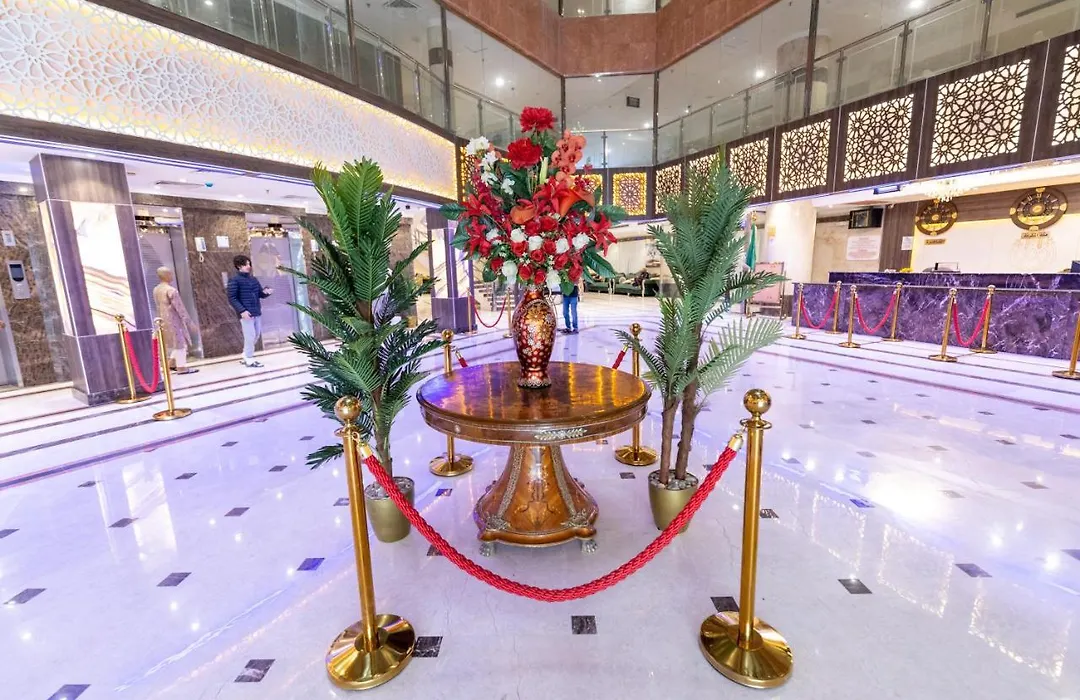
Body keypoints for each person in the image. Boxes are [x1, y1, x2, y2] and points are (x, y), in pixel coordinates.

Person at [227, 254, 273, 368]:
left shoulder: (253, 279)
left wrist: (266, 292)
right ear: (239, 266)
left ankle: (245, 354)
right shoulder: (234, 280)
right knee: (250, 335)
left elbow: (260, 294)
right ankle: (249, 358)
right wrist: (242, 311)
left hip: (256, 311)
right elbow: (232, 298)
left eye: (249, 264)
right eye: (245, 264)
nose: (248, 266)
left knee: (256, 334)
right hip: (245, 313)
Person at [153, 267, 198, 374]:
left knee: (176, 343)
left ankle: (171, 364)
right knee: (180, 344)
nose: (172, 276)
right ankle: (181, 367)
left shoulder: (156, 290)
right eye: (170, 274)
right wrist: (189, 323)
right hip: (174, 320)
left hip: (162, 320)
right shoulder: (171, 290)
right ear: (166, 275)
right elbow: (180, 308)